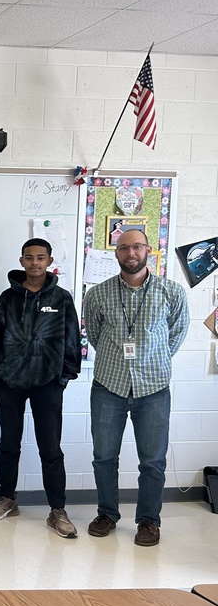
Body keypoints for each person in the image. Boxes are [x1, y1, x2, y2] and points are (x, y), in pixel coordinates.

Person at [83, 228, 188, 546]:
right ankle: (107, 514)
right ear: (116, 253)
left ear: (148, 251)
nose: (131, 253)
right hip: (108, 386)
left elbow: (177, 332)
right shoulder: (97, 294)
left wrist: (151, 359)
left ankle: (149, 522)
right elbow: (95, 335)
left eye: (137, 247)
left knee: (153, 461)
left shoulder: (172, 291)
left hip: (154, 387)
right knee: (103, 456)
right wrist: (123, 360)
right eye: (124, 247)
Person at [0, 238, 81, 538]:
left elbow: (73, 340)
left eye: (40, 258)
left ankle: (57, 509)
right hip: (9, 382)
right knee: (8, 443)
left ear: (50, 261)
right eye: (29, 257)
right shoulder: (8, 298)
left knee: (50, 447)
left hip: (47, 384)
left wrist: (63, 377)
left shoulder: (61, 298)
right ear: (21, 261)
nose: (35, 263)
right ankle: (7, 498)